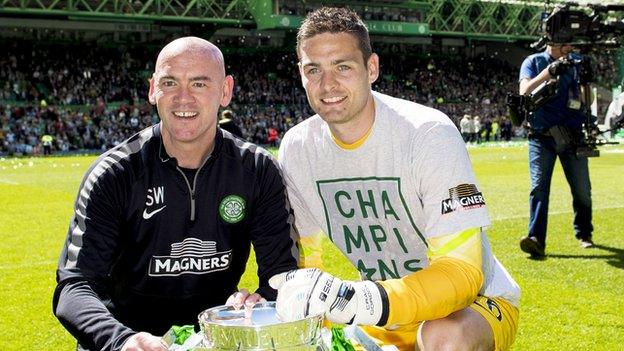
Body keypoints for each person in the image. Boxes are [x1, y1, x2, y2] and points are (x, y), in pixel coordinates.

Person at [273, 7, 520, 351]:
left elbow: (463, 274)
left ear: (371, 68)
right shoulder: (298, 148)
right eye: (314, 70)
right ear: (301, 74)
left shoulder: (427, 133)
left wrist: (361, 300)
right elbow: (305, 262)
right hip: (383, 312)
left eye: (343, 67)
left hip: (471, 306)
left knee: (443, 338)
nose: (327, 85)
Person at [53, 37, 298, 351]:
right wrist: (122, 340)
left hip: (210, 342)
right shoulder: (115, 174)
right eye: (170, 83)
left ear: (225, 91)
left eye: (199, 84)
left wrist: (263, 301)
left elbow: (283, 278)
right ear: (153, 89)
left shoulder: (257, 170)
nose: (183, 99)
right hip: (123, 340)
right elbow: (76, 285)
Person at [517, 44, 594, 258]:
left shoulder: (578, 62)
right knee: (539, 188)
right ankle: (536, 239)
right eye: (566, 41)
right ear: (553, 41)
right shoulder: (533, 61)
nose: (571, 46)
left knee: (582, 190)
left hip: (573, 135)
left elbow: (587, 101)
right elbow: (524, 92)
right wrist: (548, 73)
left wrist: (586, 82)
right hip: (541, 136)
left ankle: (584, 233)